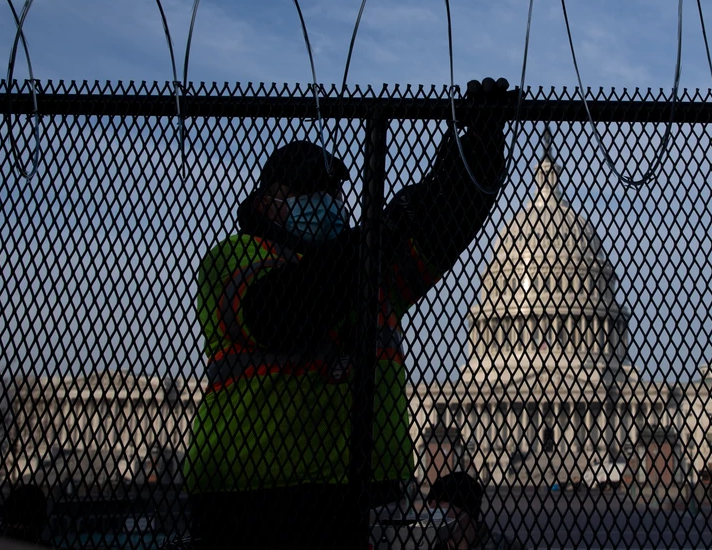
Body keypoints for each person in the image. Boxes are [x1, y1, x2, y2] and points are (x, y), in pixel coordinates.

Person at [182, 77, 518, 549]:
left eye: (333, 191)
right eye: (308, 189)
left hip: (362, 494)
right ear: (265, 204)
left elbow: (441, 230)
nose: (327, 201)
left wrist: (476, 154)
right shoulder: (233, 260)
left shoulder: (370, 268)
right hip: (255, 500)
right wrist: (389, 224)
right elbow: (285, 309)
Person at [426, 472, 522, 550]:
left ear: (464, 509)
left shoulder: (504, 546)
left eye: (440, 504)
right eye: (430, 504)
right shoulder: (428, 545)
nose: (432, 510)